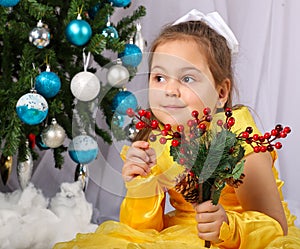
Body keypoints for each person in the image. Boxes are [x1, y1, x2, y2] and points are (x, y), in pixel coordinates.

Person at [53, 9, 300, 249]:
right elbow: (139, 233)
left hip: (238, 240)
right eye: (159, 78)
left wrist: (228, 227)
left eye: (187, 78)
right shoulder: (159, 139)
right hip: (178, 236)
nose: (170, 90)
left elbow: (277, 228)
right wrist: (142, 185)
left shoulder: (239, 141)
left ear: (221, 92)